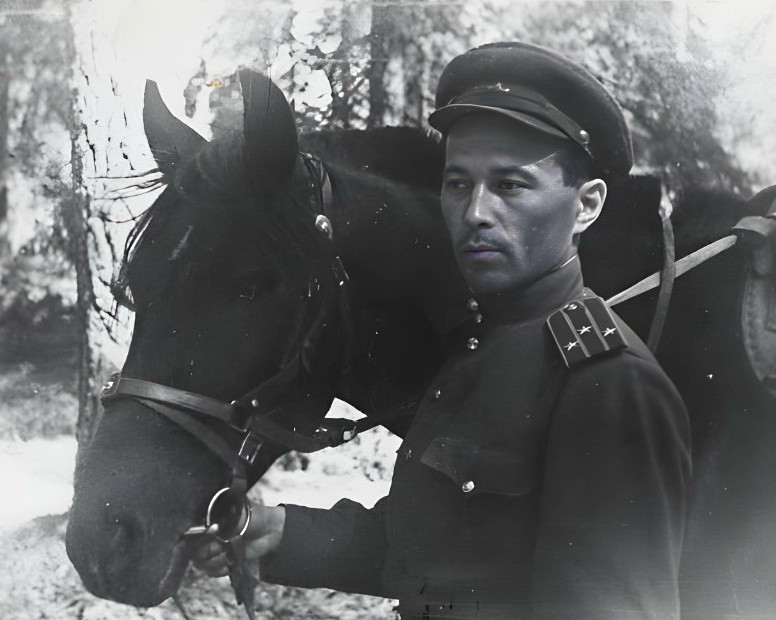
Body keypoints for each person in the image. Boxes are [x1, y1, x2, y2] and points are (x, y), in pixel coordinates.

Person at [192, 42, 691, 620]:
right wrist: (278, 531)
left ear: (587, 206)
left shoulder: (609, 385)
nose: (475, 212)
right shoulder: (482, 343)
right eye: (457, 183)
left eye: (510, 185)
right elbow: (439, 548)